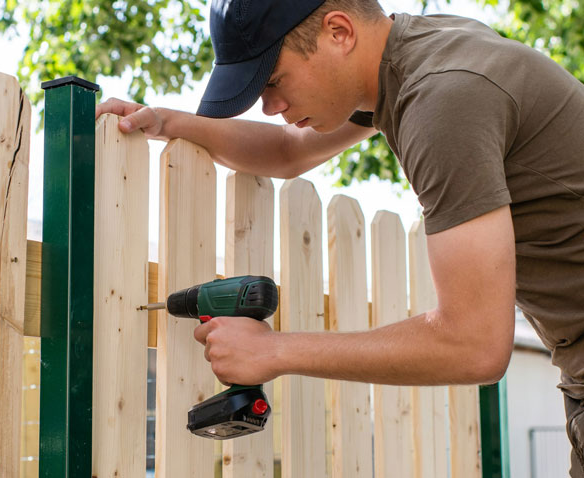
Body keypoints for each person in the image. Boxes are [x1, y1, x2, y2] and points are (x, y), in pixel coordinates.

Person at [96, 0, 584, 474]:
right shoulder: (426, 50)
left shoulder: (442, 99)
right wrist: (169, 122)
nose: (269, 107)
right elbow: (289, 151)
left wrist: (274, 351)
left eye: (273, 81)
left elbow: (474, 344)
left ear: (339, 32)